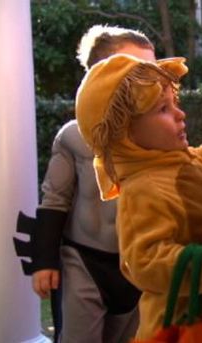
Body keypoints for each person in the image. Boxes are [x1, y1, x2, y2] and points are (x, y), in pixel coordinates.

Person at [74, 53, 202, 342]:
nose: (180, 114)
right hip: (177, 330)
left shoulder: (191, 162)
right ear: (125, 133)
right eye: (162, 109)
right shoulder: (143, 189)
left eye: (176, 104)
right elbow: (145, 263)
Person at [29, 25, 156, 342]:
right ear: (98, 77)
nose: (147, 78)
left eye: (152, 70)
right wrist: (44, 261)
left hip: (138, 263)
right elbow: (54, 201)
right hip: (83, 263)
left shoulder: (160, 134)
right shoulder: (74, 135)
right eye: (133, 69)